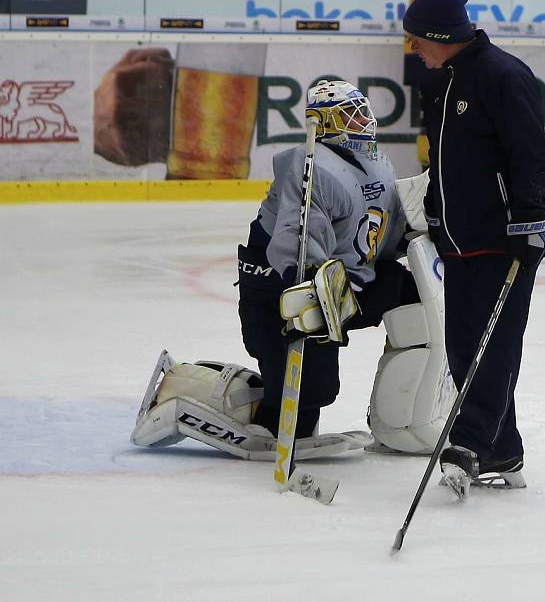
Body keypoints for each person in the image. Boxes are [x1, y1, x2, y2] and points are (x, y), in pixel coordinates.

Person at [131, 80, 457, 461]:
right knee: (304, 403)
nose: (361, 121)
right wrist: (312, 291)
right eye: (348, 115)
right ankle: (183, 392)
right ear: (323, 123)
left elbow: (380, 234)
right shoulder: (309, 170)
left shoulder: (375, 162)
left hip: (344, 288)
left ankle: (403, 419)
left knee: (410, 297)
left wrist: (424, 226)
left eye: (361, 111)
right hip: (282, 297)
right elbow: (293, 246)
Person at [403, 0, 545, 496]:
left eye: (418, 38)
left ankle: (467, 444)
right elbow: (448, 162)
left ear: (441, 35)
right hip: (461, 240)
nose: (413, 47)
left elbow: (532, 157)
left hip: (504, 241)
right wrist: (435, 214)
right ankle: (504, 449)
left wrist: (529, 220)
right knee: (465, 347)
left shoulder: (502, 75)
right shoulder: (444, 81)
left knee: (494, 347)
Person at [404, 0, 463, 171]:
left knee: (428, 113)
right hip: (429, 56)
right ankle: (432, 163)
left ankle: (428, 163)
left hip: (417, 57)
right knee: (435, 113)